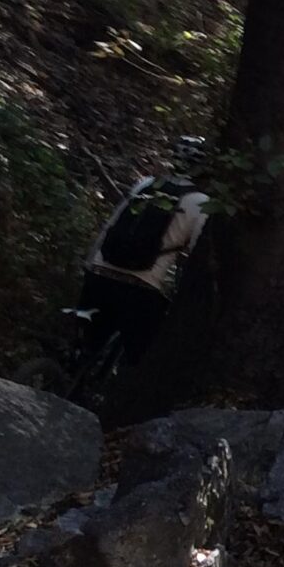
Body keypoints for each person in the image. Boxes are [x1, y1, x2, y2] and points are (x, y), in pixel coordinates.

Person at [68, 169, 210, 405]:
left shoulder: (146, 184)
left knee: (87, 342)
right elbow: (197, 255)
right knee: (140, 355)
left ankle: (64, 381)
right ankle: (111, 405)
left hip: (100, 272)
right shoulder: (201, 203)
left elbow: (110, 226)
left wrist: (90, 263)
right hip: (142, 287)